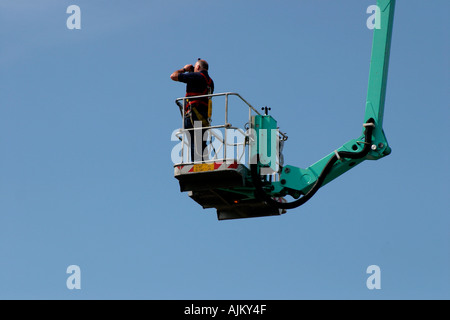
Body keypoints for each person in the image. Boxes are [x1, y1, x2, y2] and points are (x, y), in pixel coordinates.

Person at [170, 59, 214, 162]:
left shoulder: (196, 76)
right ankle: (204, 162)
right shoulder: (211, 82)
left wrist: (184, 69)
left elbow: (173, 76)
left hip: (193, 115)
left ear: (198, 67)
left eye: (195, 67)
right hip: (204, 117)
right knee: (201, 143)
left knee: (194, 141)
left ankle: (197, 165)